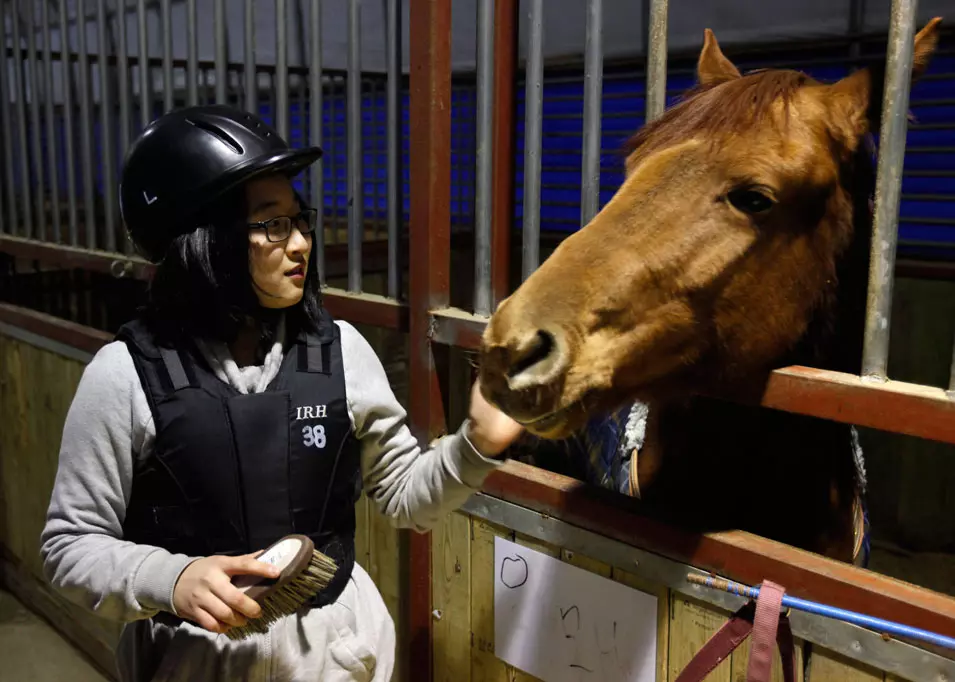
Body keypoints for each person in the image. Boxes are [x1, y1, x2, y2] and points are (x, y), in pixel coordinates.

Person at [39, 104, 524, 682]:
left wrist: (476, 447)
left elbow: (402, 496)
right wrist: (169, 579)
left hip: (338, 660)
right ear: (205, 240)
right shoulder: (124, 375)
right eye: (272, 224)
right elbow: (68, 546)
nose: (301, 245)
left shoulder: (342, 350)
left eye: (301, 220)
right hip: (197, 664)